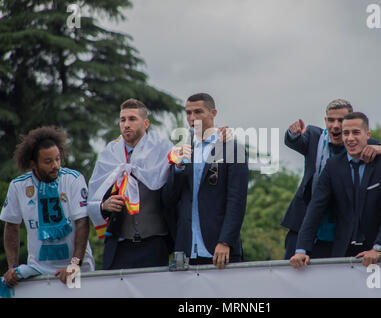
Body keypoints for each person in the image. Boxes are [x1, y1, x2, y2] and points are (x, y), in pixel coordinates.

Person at [281, 99, 381, 259]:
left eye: (341, 121)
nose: (336, 125)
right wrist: (292, 134)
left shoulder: (370, 147)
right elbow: (294, 141)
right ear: (325, 121)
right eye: (331, 120)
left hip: (346, 228)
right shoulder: (317, 139)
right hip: (307, 220)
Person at [162, 93, 249, 269]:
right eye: (188, 113)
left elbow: (236, 202)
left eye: (198, 112)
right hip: (185, 250)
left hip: (219, 249)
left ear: (213, 113)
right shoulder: (181, 151)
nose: (192, 118)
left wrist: (225, 241)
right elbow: (168, 199)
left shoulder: (233, 148)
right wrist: (178, 169)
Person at [87, 98, 176, 270]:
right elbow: (94, 197)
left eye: (132, 119)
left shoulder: (163, 150)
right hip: (118, 245)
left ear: (146, 123)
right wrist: (104, 205)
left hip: (155, 244)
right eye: (123, 120)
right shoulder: (109, 154)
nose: (126, 124)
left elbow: (175, 192)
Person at [0, 126, 94, 287]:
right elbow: (11, 227)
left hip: (75, 269)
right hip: (38, 271)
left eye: (58, 159)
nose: (55, 165)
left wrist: (75, 264)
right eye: (48, 161)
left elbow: (83, 223)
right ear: (33, 164)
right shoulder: (18, 186)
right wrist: (13, 267)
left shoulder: (73, 179)